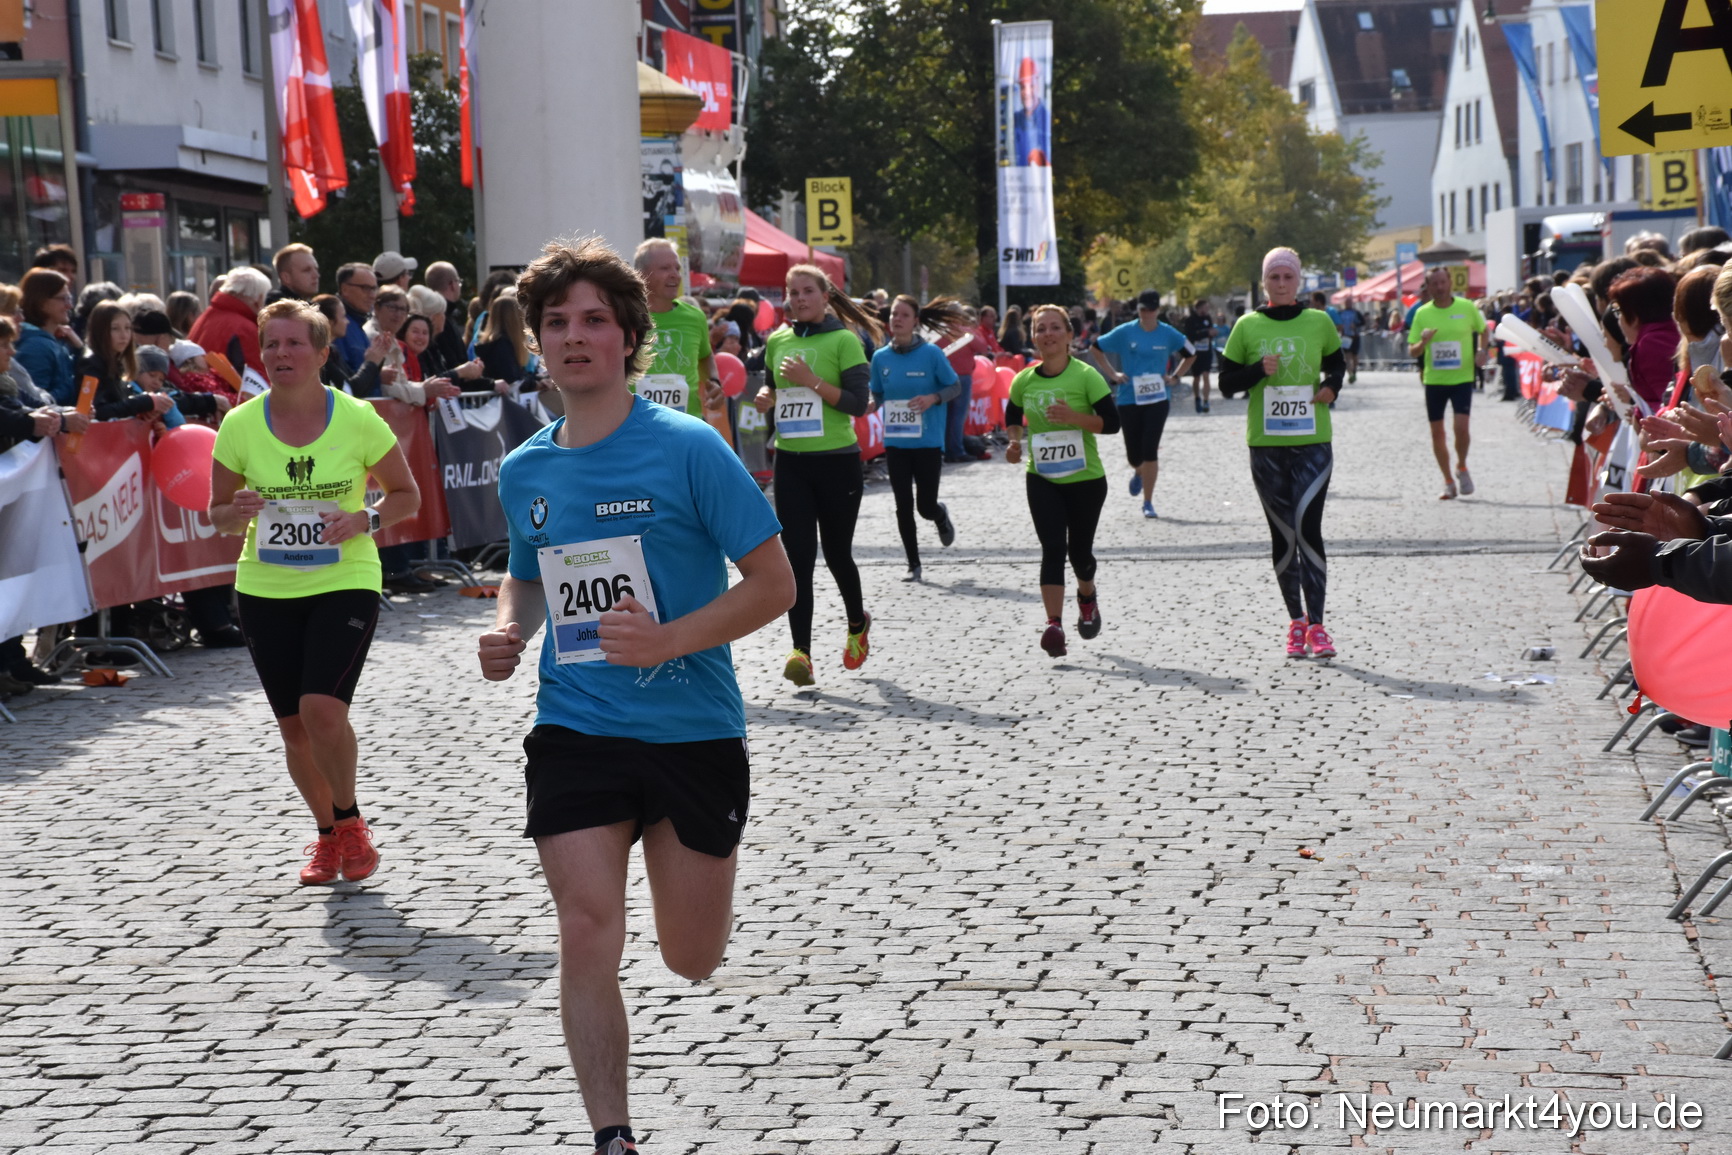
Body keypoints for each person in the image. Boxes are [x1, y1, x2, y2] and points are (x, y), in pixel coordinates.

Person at [476, 237, 793, 1155]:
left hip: (691, 727)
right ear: (537, 342)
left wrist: (666, 639)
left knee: (690, 957)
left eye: (594, 321)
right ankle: (612, 1134)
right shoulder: (526, 468)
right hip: (577, 723)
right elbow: (529, 577)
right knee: (584, 923)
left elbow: (774, 584)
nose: (575, 338)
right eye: (557, 323)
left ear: (628, 339)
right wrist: (510, 629)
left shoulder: (689, 449)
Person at [209, 299, 421, 886]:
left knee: (321, 709)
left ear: (323, 353)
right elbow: (219, 515)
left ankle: (349, 821)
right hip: (265, 585)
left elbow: (407, 496)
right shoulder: (239, 424)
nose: (281, 354)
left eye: (295, 343)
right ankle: (327, 837)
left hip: (343, 578)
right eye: (271, 344)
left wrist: (366, 520)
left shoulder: (357, 419)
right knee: (294, 729)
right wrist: (239, 509)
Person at [751, 263, 878, 686]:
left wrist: (812, 381)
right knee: (798, 558)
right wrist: (767, 397)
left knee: (838, 554)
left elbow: (858, 404)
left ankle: (857, 623)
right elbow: (773, 386)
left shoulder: (845, 340)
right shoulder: (779, 340)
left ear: (826, 297)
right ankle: (801, 652)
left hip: (837, 461)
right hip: (792, 462)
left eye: (808, 291)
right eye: (793, 292)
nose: (800, 299)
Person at [1217, 247, 1344, 659]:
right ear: (1265, 282)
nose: (1282, 284)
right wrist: (1258, 371)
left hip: (1312, 440)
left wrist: (1331, 388)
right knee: (1283, 535)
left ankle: (1319, 626)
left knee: (1308, 528)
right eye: (1275, 278)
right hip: (1266, 445)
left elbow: (1338, 366)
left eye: (1288, 277)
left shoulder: (1319, 321)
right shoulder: (1247, 325)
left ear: (1299, 281)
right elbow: (1225, 383)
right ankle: (1296, 622)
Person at [1005, 305, 1119, 658]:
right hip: (1042, 477)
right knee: (1052, 548)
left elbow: (1112, 423)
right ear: (1033, 336)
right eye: (1041, 329)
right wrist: (1012, 441)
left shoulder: (1086, 377)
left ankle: (1087, 595)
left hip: (1085, 479)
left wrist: (1074, 417)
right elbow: (1012, 415)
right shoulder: (1024, 379)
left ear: (1070, 336)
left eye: (1056, 328)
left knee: (1080, 554)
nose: (1048, 334)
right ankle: (1054, 625)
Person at [870, 295, 962, 582]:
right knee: (902, 505)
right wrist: (869, 405)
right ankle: (914, 563)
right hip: (896, 443)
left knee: (925, 505)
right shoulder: (880, 357)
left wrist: (933, 397)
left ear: (915, 321)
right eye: (894, 314)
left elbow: (955, 386)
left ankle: (939, 515)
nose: (897, 319)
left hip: (928, 442)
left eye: (904, 315)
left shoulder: (932, 354)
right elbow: (878, 393)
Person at [1092, 289, 1194, 519]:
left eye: (1151, 309)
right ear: (1138, 310)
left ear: (1158, 310)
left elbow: (1191, 353)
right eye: (1142, 309)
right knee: (1133, 455)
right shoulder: (1125, 332)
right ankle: (1138, 471)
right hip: (1129, 398)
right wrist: (1113, 374)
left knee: (1150, 449)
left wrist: (1175, 377)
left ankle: (1148, 502)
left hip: (1158, 399)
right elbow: (1096, 348)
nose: (1147, 313)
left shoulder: (1168, 333)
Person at [1408, 266, 1487, 500]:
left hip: (1462, 378)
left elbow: (1483, 330)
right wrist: (1422, 343)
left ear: (1450, 282)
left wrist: (1482, 351)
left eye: (1443, 282)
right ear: (1428, 286)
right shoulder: (1422, 313)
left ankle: (1461, 466)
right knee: (1437, 433)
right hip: (1434, 380)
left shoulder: (1467, 307)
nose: (1439, 288)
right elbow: (1412, 351)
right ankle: (1448, 481)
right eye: (1434, 284)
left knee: (1461, 428)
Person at [632, 239, 721, 421]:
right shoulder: (624, 318)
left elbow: (705, 355)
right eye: (665, 268)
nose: (675, 275)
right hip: (638, 428)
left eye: (677, 269)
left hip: (687, 425)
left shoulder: (695, 317)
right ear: (641, 274)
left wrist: (714, 380)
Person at [188, 266, 271, 379]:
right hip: (229, 394)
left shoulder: (207, 316)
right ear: (259, 299)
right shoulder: (245, 329)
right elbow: (256, 378)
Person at [15, 269, 82, 404]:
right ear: (41, 303)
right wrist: (73, 384)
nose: (69, 305)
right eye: (63, 299)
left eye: (70, 298)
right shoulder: (36, 347)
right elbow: (34, 402)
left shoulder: (53, 342)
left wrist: (79, 349)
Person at [332, 263, 380, 372]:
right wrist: (371, 365)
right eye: (366, 288)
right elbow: (346, 383)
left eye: (374, 289)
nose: (372, 295)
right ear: (345, 289)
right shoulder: (337, 326)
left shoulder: (357, 322)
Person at [424, 260, 469, 368]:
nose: (459, 285)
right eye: (459, 281)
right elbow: (453, 362)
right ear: (452, 284)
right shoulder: (442, 317)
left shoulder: (426, 314)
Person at [1182, 299, 1216, 413]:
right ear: (1199, 308)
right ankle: (1197, 397)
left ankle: (1206, 400)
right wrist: (1205, 333)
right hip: (1195, 353)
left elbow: (1210, 331)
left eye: (1207, 308)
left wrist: (1212, 334)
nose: (1206, 310)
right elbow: (1190, 335)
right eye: (1205, 308)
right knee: (1196, 377)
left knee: (1206, 375)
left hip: (1206, 351)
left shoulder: (1208, 318)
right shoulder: (1190, 320)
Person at [1337, 295, 1364, 384]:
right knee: (1347, 357)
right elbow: (1336, 323)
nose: (1348, 304)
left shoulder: (1356, 312)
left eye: (1349, 302)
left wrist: (1355, 325)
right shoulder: (1340, 313)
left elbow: (1363, 322)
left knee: (1355, 356)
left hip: (1355, 337)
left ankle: (1355, 371)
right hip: (1345, 337)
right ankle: (1350, 374)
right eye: (1346, 302)